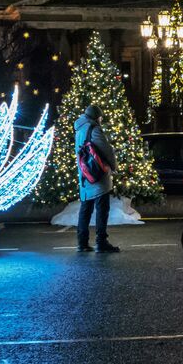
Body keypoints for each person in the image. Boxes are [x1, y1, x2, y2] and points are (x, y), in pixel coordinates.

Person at [74, 104, 119, 253]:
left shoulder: (79, 129)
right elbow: (107, 150)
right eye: (100, 117)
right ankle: (101, 241)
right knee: (102, 209)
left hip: (85, 174)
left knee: (85, 209)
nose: (101, 119)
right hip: (98, 175)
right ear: (96, 117)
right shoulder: (94, 129)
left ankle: (82, 242)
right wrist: (113, 166)